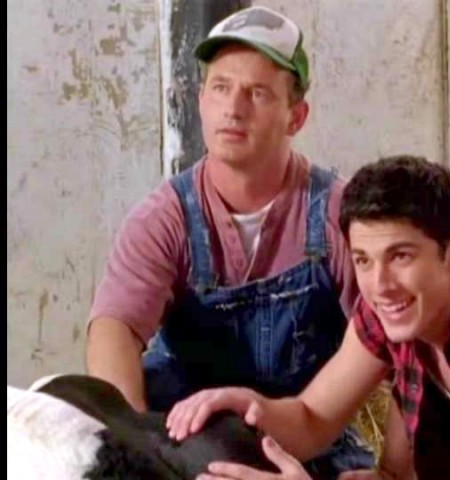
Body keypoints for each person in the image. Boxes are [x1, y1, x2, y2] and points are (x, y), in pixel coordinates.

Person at [166, 155, 450, 480]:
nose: (379, 284)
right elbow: (311, 418)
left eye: (401, 256)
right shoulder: (398, 310)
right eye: (363, 260)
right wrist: (251, 407)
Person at [84, 5, 376, 477]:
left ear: (296, 116)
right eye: (220, 88)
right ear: (201, 100)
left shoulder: (337, 215)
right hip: (184, 435)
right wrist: (134, 446)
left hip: (300, 438)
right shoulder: (165, 218)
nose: (233, 109)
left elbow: (397, 339)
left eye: (257, 93)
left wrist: (399, 466)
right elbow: (113, 329)